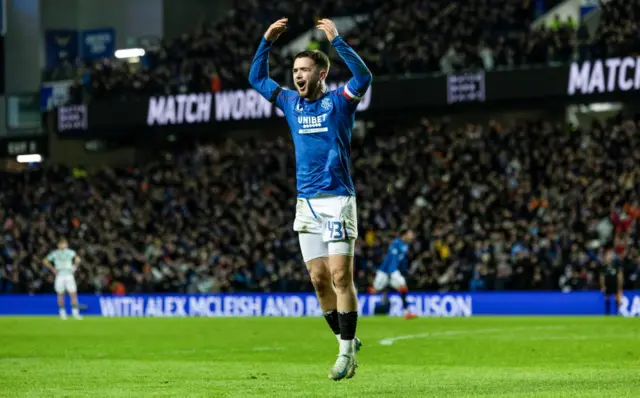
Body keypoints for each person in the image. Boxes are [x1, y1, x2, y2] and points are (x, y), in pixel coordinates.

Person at [249, 17, 372, 381]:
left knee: (340, 276)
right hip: (306, 203)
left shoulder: (339, 102)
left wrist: (337, 40)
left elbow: (364, 77)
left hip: (337, 199)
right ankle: (345, 338)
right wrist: (265, 42)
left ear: (321, 74)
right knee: (319, 280)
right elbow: (257, 79)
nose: (297, 75)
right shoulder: (290, 102)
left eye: (304, 69)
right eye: (294, 70)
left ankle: (346, 354)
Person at [370, 229, 418, 319]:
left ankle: (406, 313)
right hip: (385, 271)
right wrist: (391, 272)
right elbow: (392, 259)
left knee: (403, 285)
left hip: (394, 271)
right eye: (410, 234)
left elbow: (400, 261)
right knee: (374, 290)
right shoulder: (395, 244)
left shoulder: (406, 245)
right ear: (404, 235)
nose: (412, 236)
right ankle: (354, 302)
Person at [43, 238, 82, 320]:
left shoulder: (70, 252)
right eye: (61, 244)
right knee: (60, 294)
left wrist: (74, 267)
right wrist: (52, 269)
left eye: (64, 243)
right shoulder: (55, 253)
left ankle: (75, 313)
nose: (62, 245)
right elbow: (45, 261)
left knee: (73, 294)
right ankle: (62, 313)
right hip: (60, 275)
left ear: (66, 245)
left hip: (69, 275)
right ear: (58, 245)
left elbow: (78, 259)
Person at [600, 249, 623, 316]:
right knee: (607, 297)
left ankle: (618, 312)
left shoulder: (616, 264)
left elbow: (619, 275)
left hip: (615, 283)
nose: (609, 256)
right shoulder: (604, 266)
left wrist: (620, 284)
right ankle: (607, 313)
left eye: (610, 255)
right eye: (608, 255)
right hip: (607, 284)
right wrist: (603, 285)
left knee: (616, 297)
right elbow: (602, 277)